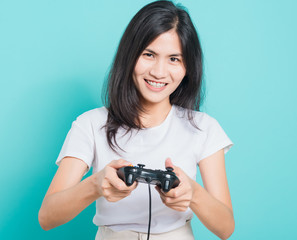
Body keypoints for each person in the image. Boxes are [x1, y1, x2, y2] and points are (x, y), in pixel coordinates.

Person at [38, 1, 235, 239]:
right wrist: (95, 185)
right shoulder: (90, 124)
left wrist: (193, 194)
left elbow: (226, 228)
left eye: (174, 59)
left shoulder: (204, 127)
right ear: (130, 56)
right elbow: (47, 217)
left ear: (188, 67)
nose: (159, 72)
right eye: (148, 54)